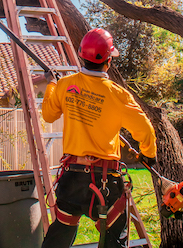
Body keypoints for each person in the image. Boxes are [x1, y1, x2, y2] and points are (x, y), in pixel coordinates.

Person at [41, 28, 157, 248]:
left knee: (59, 237)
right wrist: (148, 155)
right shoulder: (118, 95)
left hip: (72, 180)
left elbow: (49, 114)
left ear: (81, 56)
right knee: (114, 239)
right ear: (109, 61)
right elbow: (146, 131)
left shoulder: (66, 85)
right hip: (106, 182)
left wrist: (51, 84)